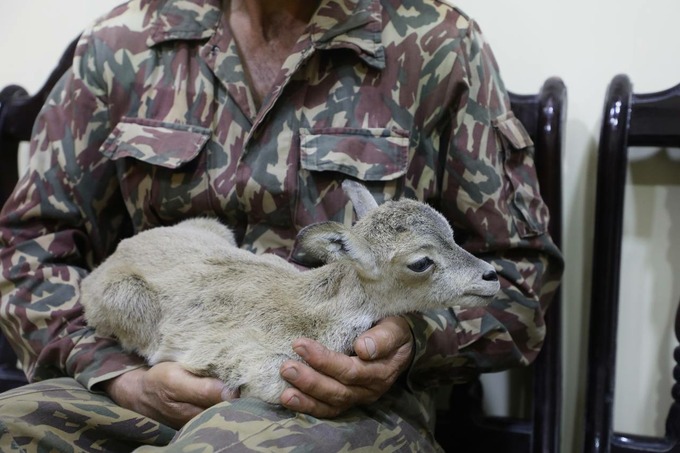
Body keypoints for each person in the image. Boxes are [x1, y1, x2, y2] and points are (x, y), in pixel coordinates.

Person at [0, 0, 563, 451]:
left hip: (345, 402)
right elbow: (28, 245)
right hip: (148, 374)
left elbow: (518, 275)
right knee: (13, 424)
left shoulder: (437, 45)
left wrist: (409, 342)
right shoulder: (124, 44)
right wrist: (117, 374)